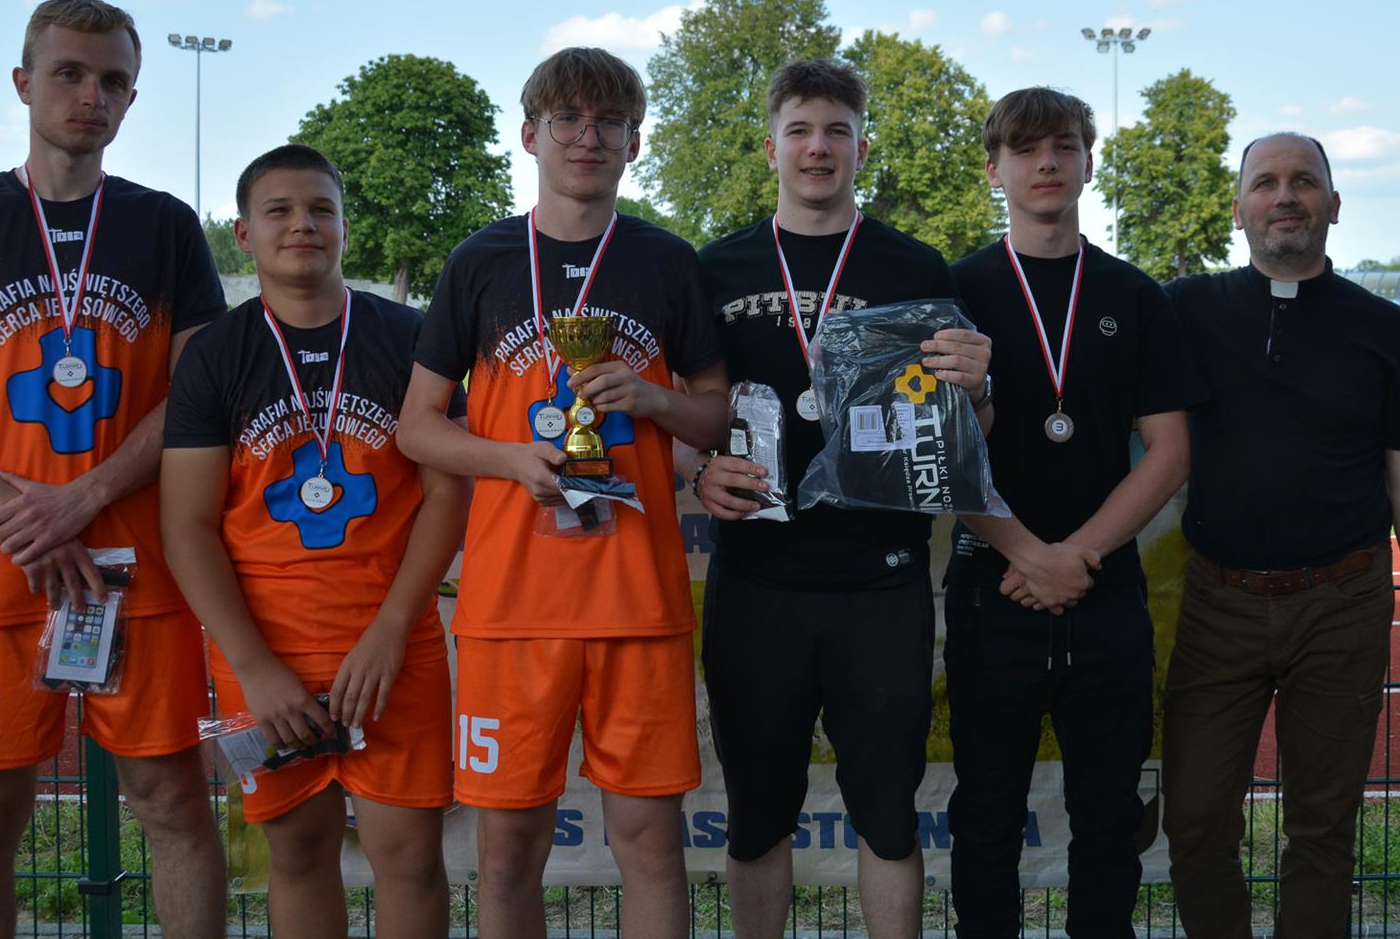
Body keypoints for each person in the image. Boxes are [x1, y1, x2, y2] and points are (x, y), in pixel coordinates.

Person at [0, 0, 227, 939]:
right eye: (69, 73)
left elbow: (196, 399)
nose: (90, 94)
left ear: (132, 98)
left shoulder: (165, 226)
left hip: (134, 569)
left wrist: (84, 497)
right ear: (23, 83)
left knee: (173, 801)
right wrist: (16, 511)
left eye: (112, 80)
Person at [397, 47, 730, 939]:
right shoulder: (479, 259)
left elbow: (716, 412)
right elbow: (417, 426)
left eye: (610, 121)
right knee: (507, 853)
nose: (589, 136)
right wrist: (511, 460)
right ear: (530, 135)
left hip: (637, 601)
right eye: (569, 119)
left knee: (650, 845)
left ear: (634, 142)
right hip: (512, 606)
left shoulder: (667, 260)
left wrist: (652, 398)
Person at [690, 58, 993, 939]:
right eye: (799, 130)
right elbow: (681, 408)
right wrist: (696, 469)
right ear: (771, 147)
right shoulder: (716, 267)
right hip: (756, 581)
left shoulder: (914, 264)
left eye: (836, 131)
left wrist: (979, 387)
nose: (817, 147)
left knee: (888, 813)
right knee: (756, 815)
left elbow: (968, 426)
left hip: (881, 581)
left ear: (862, 146)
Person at [160, 144, 471, 939]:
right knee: (297, 850)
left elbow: (448, 492)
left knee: (410, 855)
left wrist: (393, 629)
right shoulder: (216, 354)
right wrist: (254, 666)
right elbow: (187, 524)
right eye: (280, 210)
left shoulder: (410, 336)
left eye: (321, 209)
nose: (302, 224)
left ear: (345, 226)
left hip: (392, 641)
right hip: (265, 650)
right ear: (243, 234)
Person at [1160, 132, 1400, 939]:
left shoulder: (1383, 328)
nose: (1285, 195)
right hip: (1217, 602)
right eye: (1266, 182)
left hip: (1342, 602)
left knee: (1323, 827)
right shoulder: (1185, 310)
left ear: (1334, 203)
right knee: (1193, 816)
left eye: (1303, 180)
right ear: (1238, 209)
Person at [944, 87, 1202, 938]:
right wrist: (1027, 553)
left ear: (1089, 162)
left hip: (1105, 594)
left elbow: (1170, 450)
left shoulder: (1135, 295)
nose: (1047, 163)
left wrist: (1075, 556)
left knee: (1108, 819)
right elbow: (938, 453)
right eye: (1025, 149)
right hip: (992, 593)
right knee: (986, 815)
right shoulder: (954, 292)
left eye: (1063, 146)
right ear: (995, 169)